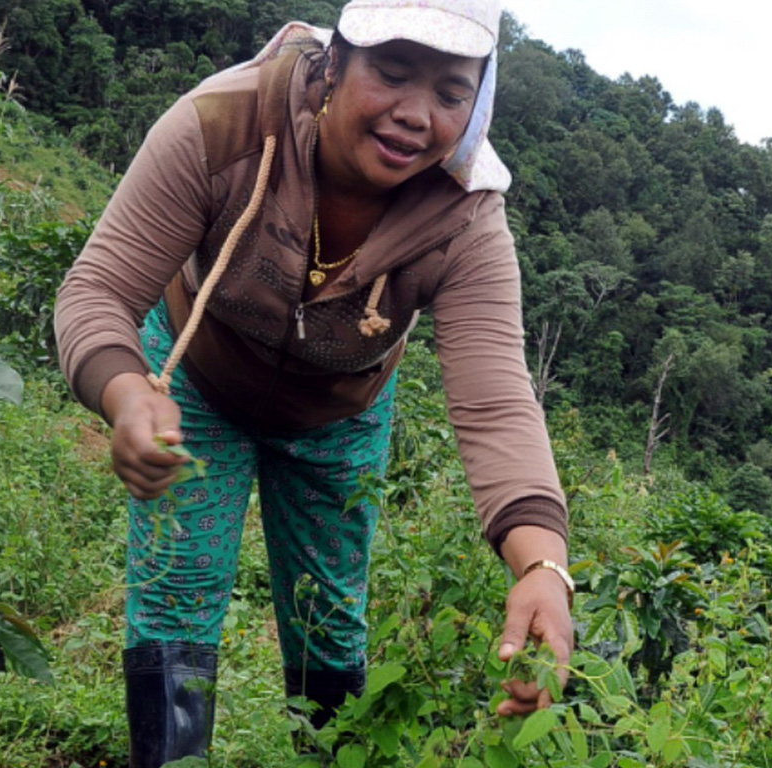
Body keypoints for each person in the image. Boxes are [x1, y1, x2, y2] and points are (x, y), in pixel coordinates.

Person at [55, 1, 573, 765]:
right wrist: (125, 389)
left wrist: (542, 565)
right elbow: (96, 289)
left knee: (329, 620)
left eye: (450, 94)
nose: (414, 115)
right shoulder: (223, 124)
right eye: (391, 74)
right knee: (178, 594)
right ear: (335, 64)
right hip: (193, 384)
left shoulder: (466, 222)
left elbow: (496, 402)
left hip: (341, 414)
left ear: (477, 104)